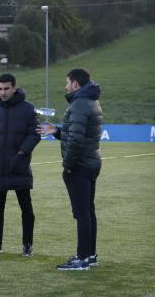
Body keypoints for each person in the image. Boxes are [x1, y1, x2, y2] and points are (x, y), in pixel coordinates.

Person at [37, 68, 102, 271]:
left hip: (80, 164)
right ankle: (89, 255)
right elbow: (76, 132)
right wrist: (57, 131)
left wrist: (68, 165)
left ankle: (82, 258)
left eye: (67, 82)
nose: (66, 86)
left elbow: (75, 139)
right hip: (91, 161)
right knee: (88, 211)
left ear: (75, 83)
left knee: (81, 212)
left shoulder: (79, 104)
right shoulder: (91, 101)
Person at [0, 73, 40, 257]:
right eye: (0, 89)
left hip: (19, 167)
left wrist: (22, 152)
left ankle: (27, 244)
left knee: (26, 208)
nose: (3, 92)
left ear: (15, 87)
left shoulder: (28, 109)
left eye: (6, 88)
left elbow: (35, 134)